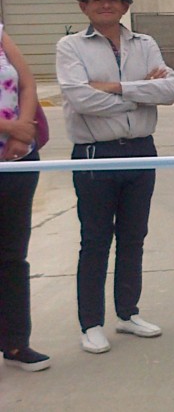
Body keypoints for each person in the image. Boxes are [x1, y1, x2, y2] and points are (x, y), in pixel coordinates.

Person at [54, 0, 174, 354]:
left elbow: (170, 89)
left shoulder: (144, 44)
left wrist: (115, 87)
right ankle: (91, 323)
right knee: (95, 240)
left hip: (140, 149)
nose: (105, 5)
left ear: (125, 6)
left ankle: (127, 313)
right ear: (84, 6)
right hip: (95, 154)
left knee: (133, 236)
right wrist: (140, 95)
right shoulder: (70, 46)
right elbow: (80, 99)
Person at [0, 26, 50, 371]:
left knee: (12, 255)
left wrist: (23, 132)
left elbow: (27, 84)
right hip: (11, 135)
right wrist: (9, 128)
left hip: (18, 159)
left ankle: (16, 342)